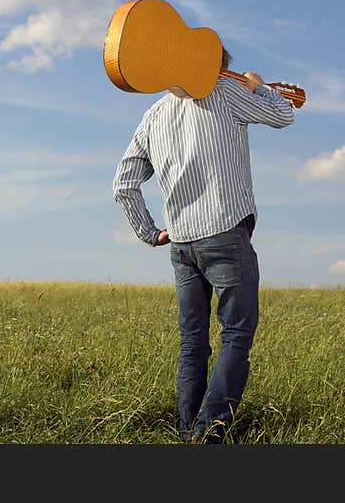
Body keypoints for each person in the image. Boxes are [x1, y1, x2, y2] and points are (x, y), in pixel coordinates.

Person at [112, 48, 294, 443]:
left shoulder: (154, 115)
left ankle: (187, 433)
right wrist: (259, 88)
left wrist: (150, 232)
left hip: (180, 243)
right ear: (218, 68)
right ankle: (207, 433)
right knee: (237, 335)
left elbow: (123, 185)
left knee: (193, 341)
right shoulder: (226, 92)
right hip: (226, 233)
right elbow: (284, 115)